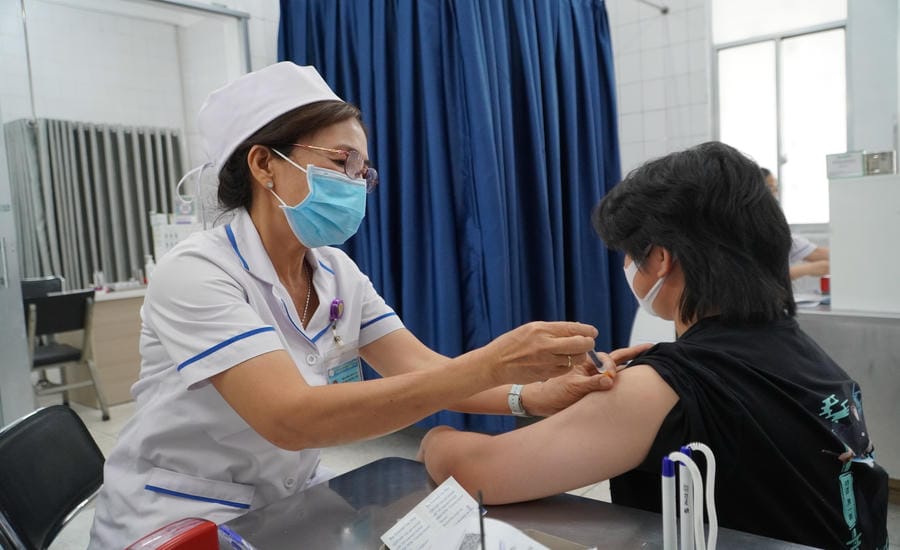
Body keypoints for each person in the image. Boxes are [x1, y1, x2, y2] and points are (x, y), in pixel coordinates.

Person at [88, 62, 637, 547]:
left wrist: (530, 396)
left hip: (286, 505)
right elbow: (289, 418)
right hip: (180, 521)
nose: (355, 183)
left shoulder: (334, 271)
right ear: (263, 164)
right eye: (340, 161)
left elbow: (423, 369)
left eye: (362, 171)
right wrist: (493, 362)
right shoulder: (197, 272)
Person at [418, 142, 889, 549]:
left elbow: (477, 472)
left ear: (660, 259)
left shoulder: (667, 386)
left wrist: (435, 438)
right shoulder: (810, 358)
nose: (627, 265)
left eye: (629, 252)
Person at [760, 167, 830, 280]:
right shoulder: (746, 230)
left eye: (775, 188)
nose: (775, 194)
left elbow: (816, 253)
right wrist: (808, 269)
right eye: (771, 188)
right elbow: (760, 277)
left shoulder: (774, 230)